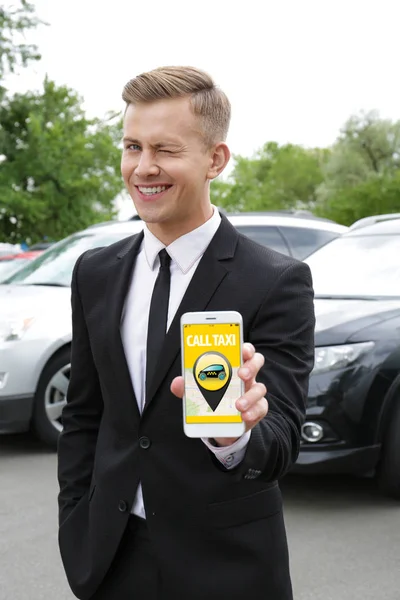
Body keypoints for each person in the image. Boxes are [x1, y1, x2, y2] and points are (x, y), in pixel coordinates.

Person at [57, 66, 315, 600]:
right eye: (132, 146)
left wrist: (235, 433)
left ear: (215, 159)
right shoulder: (95, 273)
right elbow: (85, 415)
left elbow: (282, 441)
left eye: (165, 150)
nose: (143, 168)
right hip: (110, 559)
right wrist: (75, 521)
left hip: (226, 568)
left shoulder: (276, 281)